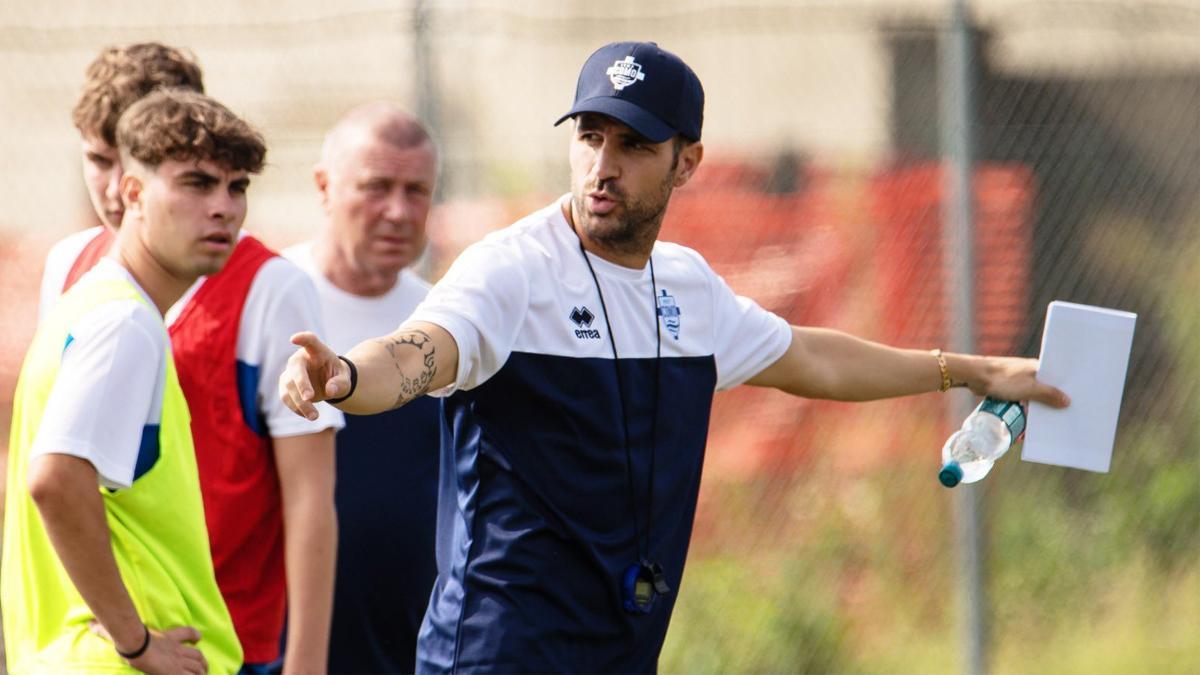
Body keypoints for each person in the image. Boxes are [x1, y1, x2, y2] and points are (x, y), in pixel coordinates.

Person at [279, 41, 1071, 672]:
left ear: (686, 161)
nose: (602, 164)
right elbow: (419, 351)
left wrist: (974, 370)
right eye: (589, 137)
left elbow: (816, 361)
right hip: (500, 652)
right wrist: (345, 376)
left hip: (624, 647)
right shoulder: (510, 269)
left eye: (632, 143)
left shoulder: (690, 288)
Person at [37, 42, 343, 673]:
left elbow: (310, 497)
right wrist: (127, 632)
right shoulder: (76, 271)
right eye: (97, 158)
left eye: (227, 184)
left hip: (220, 641)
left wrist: (306, 663)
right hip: (101, 643)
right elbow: (56, 477)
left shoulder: (268, 284)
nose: (108, 185)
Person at [2, 88, 263, 674]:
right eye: (197, 183)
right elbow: (56, 478)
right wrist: (137, 643)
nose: (223, 206)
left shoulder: (95, 304)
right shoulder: (123, 323)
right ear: (134, 193)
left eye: (237, 186)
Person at [283, 103, 443, 672]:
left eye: (416, 190)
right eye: (376, 187)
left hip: (412, 646)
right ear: (324, 187)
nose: (398, 212)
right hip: (277, 647)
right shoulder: (266, 302)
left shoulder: (443, 326)